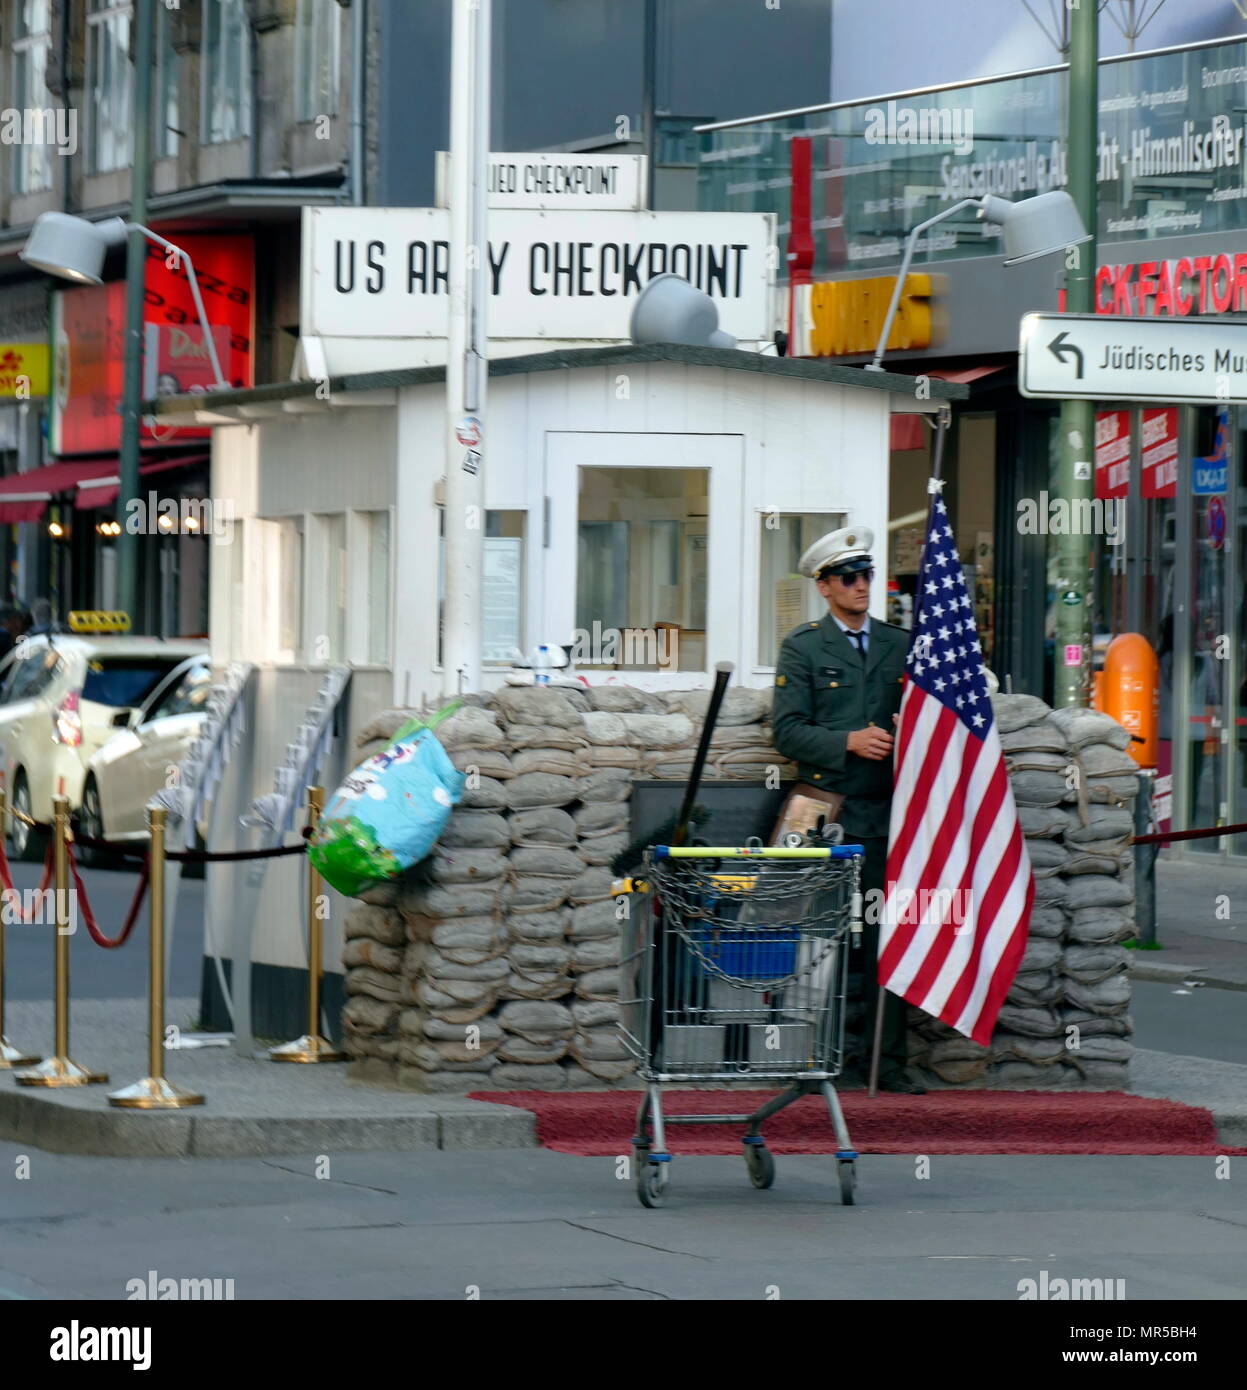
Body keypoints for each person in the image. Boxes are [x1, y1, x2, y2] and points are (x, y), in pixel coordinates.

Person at [770, 524, 926, 1095]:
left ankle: (887, 1062)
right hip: (825, 811)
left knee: (887, 935)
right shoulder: (805, 646)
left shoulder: (899, 643)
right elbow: (786, 732)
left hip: (887, 812)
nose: (862, 585)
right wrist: (848, 742)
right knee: (824, 938)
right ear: (824, 586)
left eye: (867, 575)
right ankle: (818, 1060)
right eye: (849, 578)